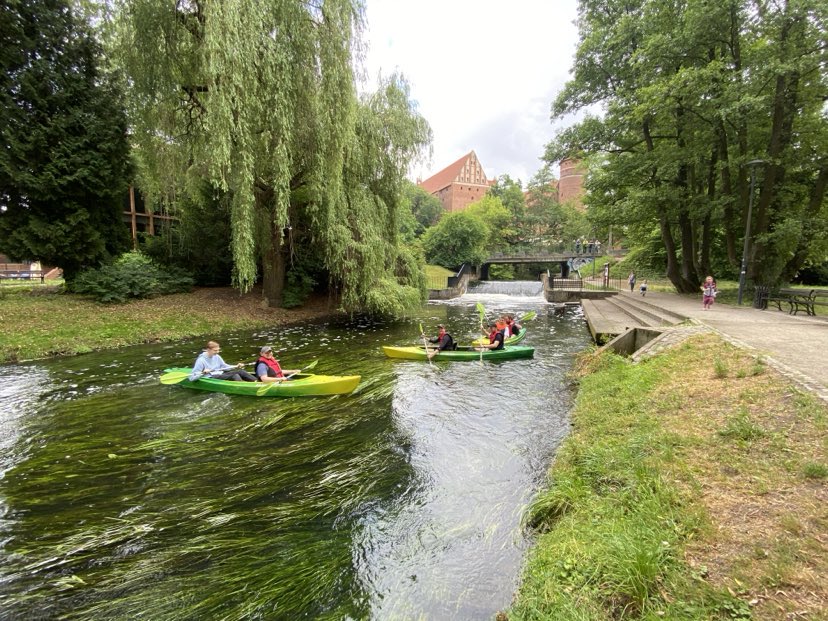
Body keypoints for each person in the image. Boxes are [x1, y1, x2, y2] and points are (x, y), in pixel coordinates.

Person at [189, 341, 257, 382]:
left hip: (220, 373)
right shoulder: (201, 360)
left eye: (218, 350)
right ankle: (244, 387)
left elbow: (225, 367)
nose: (217, 352)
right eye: (215, 350)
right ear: (208, 350)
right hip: (211, 376)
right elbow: (192, 378)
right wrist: (203, 372)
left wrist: (236, 366)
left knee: (241, 372)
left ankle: (257, 382)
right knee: (234, 375)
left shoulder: (217, 356)